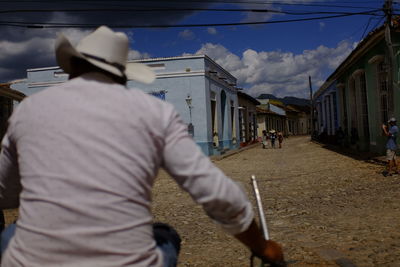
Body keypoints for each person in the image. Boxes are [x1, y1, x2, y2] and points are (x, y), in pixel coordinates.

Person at [0, 26, 285, 266]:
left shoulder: (28, 110)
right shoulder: (153, 112)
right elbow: (217, 195)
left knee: (11, 234)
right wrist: (261, 246)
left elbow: (6, 194)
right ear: (123, 74)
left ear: (72, 67)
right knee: (165, 234)